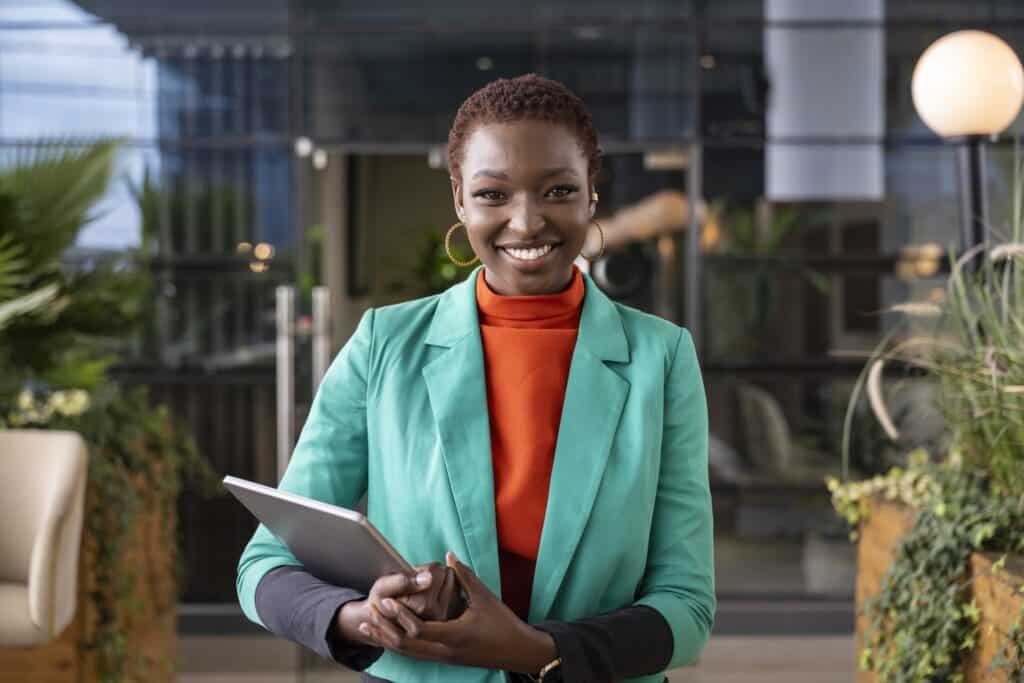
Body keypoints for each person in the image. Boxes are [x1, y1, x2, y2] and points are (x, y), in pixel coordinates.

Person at [236, 74, 715, 683]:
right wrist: (363, 618)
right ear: (461, 200)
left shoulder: (661, 357)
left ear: (592, 195)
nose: (526, 221)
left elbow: (687, 607)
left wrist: (531, 650)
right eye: (493, 195)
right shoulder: (386, 346)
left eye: (558, 190)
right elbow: (264, 566)